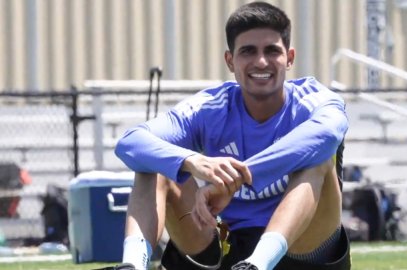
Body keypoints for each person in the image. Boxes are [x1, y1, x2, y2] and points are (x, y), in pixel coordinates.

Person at [112, 2, 350, 270]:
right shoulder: (210, 107)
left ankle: (258, 264)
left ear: (290, 58)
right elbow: (129, 142)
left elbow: (328, 134)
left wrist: (234, 180)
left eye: (272, 51)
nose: (261, 62)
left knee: (318, 158)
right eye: (248, 51)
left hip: (303, 250)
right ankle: (132, 265)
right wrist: (193, 161)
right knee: (154, 163)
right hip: (223, 243)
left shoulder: (315, 99)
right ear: (230, 60)